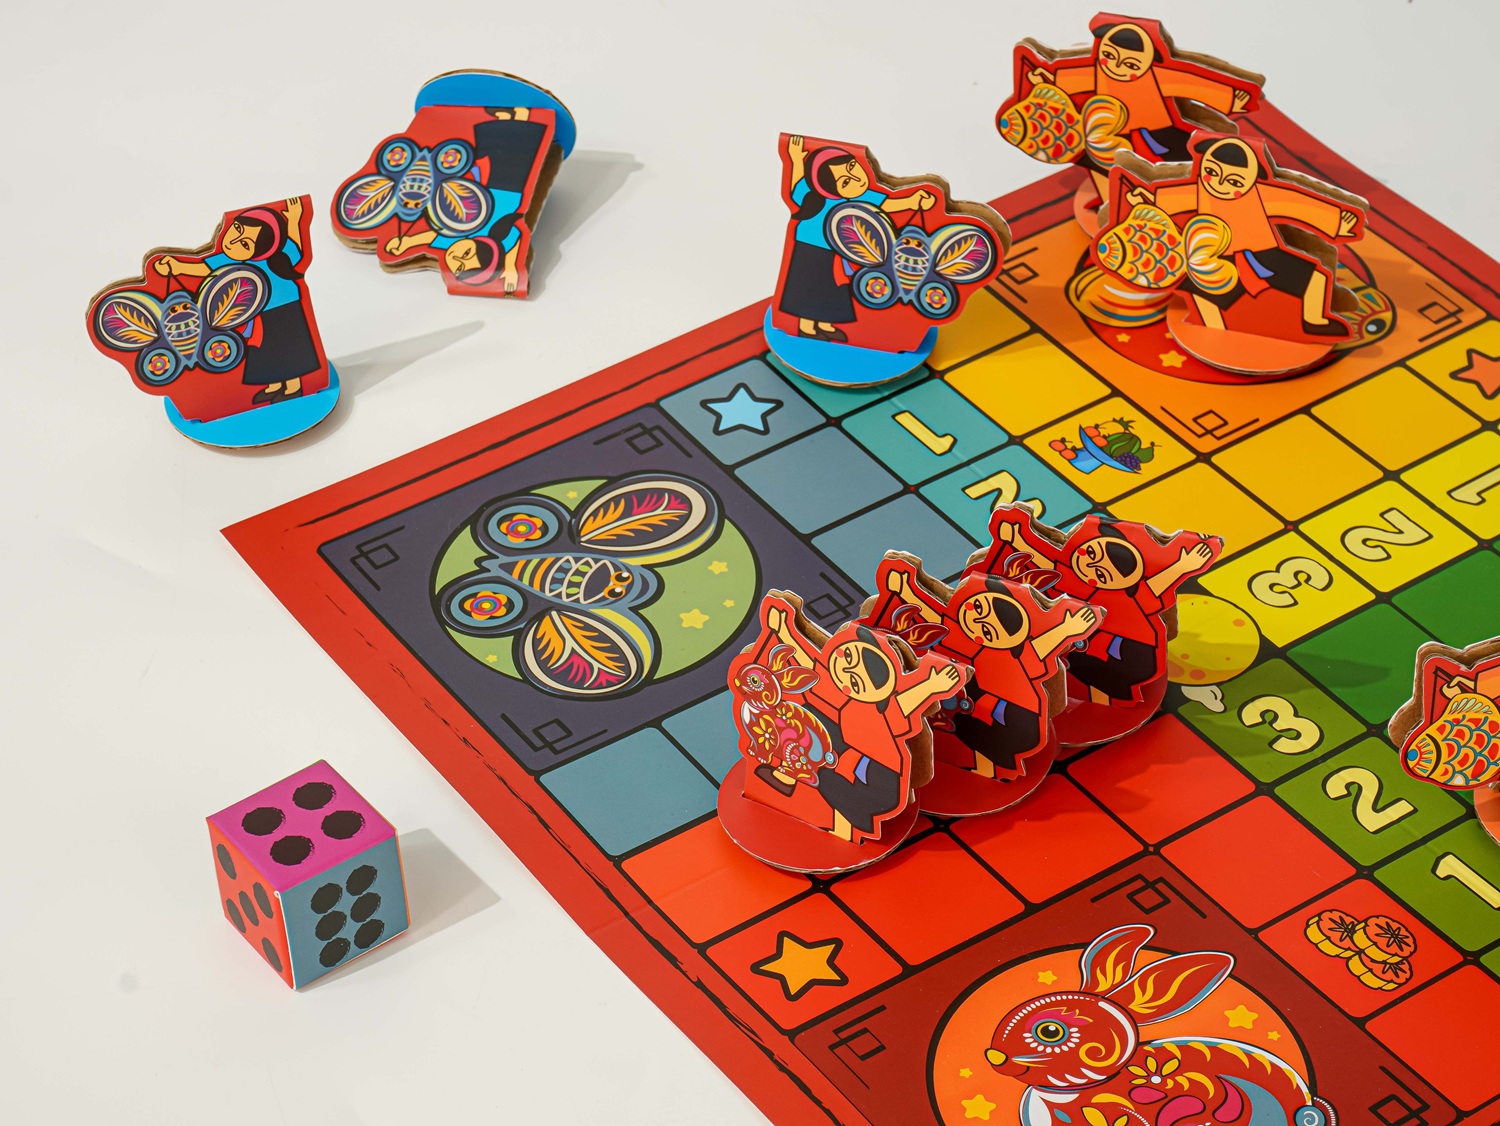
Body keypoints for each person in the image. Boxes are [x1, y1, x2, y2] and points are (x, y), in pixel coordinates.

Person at [1123, 133, 1363, 337]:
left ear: (1252, 178)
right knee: (1199, 290)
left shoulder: (1264, 193)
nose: (1219, 183)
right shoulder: (1197, 189)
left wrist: (1336, 222)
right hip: (1214, 257)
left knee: (1315, 276)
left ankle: (1314, 320)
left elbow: (1299, 204)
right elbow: (1166, 198)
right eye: (1211, 172)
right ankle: (1212, 325)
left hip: (1264, 254)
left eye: (1234, 181)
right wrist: (1144, 198)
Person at [760, 602, 961, 842]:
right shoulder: (840, 693)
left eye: (855, 681)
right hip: (852, 758)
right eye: (847, 659)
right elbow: (811, 663)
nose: (846, 678)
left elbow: (911, 698)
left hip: (880, 780)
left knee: (826, 779)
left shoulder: (887, 709)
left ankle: (845, 827)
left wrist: (933, 684)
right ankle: (794, 779)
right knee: (811, 712)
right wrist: (785, 631)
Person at [882, 567, 1098, 778]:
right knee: (966, 719)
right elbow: (939, 616)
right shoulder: (967, 640)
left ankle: (995, 768)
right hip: (989, 712)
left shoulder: (1018, 654)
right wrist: (907, 591)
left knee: (970, 726)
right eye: (977, 608)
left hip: (1018, 720)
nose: (976, 624)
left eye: (987, 630)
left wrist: (1067, 628)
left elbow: (1043, 644)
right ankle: (988, 766)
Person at [985, 511, 1217, 708]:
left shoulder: (1133, 593)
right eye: (1091, 555)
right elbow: (1049, 563)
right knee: (1080, 664)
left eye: (1101, 573)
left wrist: (1183, 565)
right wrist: (1018, 540)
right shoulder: (1077, 578)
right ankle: (1102, 696)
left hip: (1133, 649)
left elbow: (1156, 585)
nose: (1091, 566)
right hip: (1100, 645)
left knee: (1094, 671)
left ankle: (1109, 699)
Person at [1024, 16, 1261, 203]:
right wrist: (1044, 78)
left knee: (1182, 161)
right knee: (1102, 164)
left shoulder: (1160, 75)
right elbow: (1067, 77)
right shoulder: (1094, 70)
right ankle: (1113, 203)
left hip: (1158, 133)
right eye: (1109, 56)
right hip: (1107, 134)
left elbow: (1194, 83)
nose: (1117, 66)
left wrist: (1230, 99)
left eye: (1130, 63)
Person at [156, 198, 317, 404]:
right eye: (237, 229)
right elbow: (205, 268)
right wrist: (176, 266)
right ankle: (274, 385)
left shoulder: (279, 256)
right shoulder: (230, 259)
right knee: (263, 350)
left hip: (287, 310)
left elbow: (295, 249)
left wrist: (293, 220)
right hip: (257, 312)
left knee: (289, 346)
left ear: (262, 249)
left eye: (245, 243)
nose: (233, 242)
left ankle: (293, 387)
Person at [776, 135, 935, 341]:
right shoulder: (812, 196)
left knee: (834, 288)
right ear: (829, 188)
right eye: (845, 181)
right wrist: (796, 160)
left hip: (837, 251)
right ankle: (806, 327)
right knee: (809, 287)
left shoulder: (861, 196)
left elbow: (886, 204)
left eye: (852, 167)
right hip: (808, 250)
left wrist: (913, 201)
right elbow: (796, 186)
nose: (857, 179)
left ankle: (825, 324)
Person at [385, 108, 551, 294]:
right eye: (466, 254)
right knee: (513, 154)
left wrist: (407, 243)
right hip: (509, 186)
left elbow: (431, 236)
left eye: (458, 267)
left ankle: (509, 120)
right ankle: (520, 117)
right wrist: (511, 267)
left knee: (489, 153)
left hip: (480, 190)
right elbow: (516, 239)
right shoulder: (499, 235)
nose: (456, 257)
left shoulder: (455, 239)